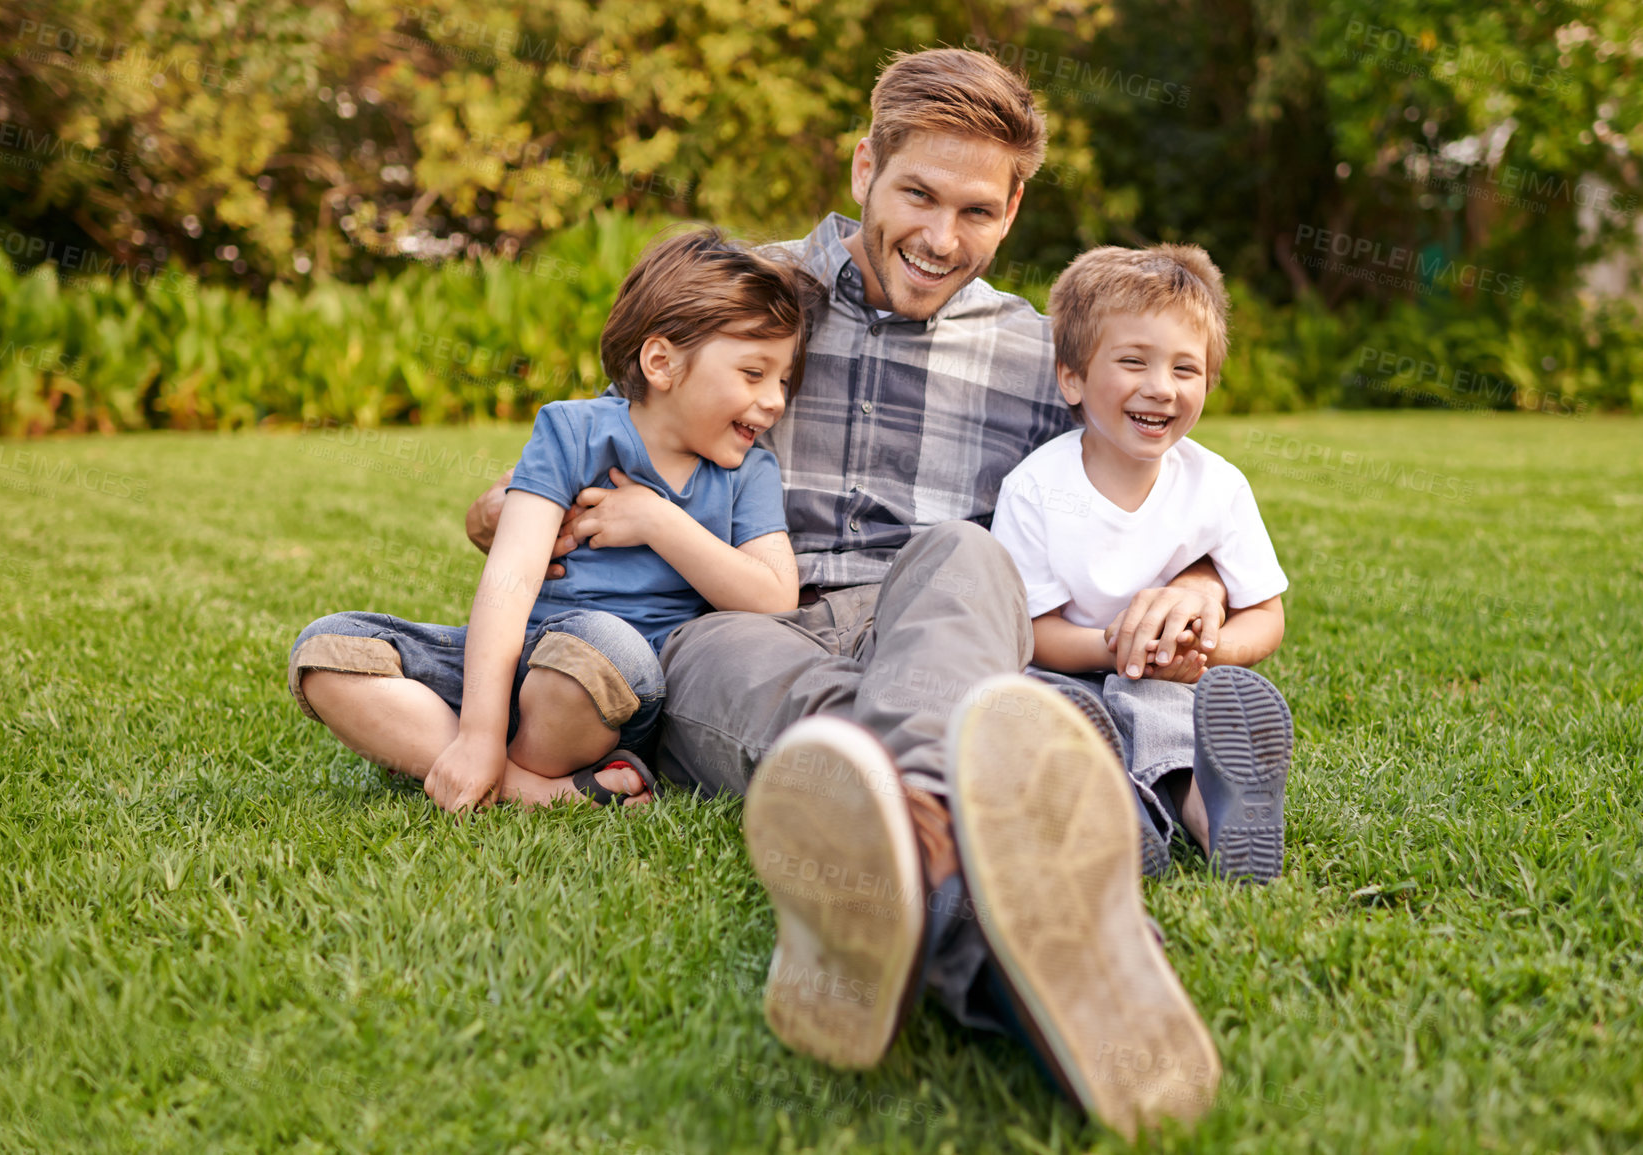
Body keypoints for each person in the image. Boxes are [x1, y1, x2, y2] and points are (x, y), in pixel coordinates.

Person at [465, 49, 1254, 1139]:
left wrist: (1207, 576)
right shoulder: (751, 299)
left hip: (940, 625)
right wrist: (506, 510)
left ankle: (901, 854)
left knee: (967, 555)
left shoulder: (1039, 352)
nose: (940, 236)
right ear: (863, 166)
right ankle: (969, 865)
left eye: (978, 209)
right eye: (917, 193)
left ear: (1016, 207)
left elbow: (1149, 479)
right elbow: (608, 436)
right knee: (798, 695)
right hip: (745, 623)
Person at [288, 230, 817, 813]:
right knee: (329, 649)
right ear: (662, 362)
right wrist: (480, 733)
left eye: (784, 379)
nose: (775, 401)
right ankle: (536, 789)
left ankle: (489, 768)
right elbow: (507, 583)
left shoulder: (749, 473)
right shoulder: (571, 431)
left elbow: (773, 595)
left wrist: (657, 521)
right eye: (753, 373)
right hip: (512, 663)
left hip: (607, 688)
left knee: (598, 647)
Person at [990, 243, 1295, 884]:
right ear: (1071, 377)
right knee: (1058, 720)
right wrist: (1117, 648)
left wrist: (1205, 653)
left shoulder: (1218, 486)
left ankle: (1218, 816)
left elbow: (1266, 614)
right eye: (1133, 362)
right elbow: (1034, 635)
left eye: (1186, 370)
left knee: (1170, 711)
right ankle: (1121, 810)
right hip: (1066, 672)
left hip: (1167, 676)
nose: (1161, 388)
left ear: (1209, 382)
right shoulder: (1036, 489)